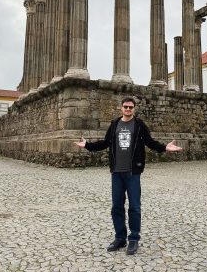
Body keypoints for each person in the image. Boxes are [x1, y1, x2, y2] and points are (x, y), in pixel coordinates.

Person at [75, 96, 182, 255]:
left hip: (133, 172)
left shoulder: (139, 125)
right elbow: (105, 143)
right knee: (116, 206)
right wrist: (88, 145)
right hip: (116, 172)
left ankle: (134, 238)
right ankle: (120, 238)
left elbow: (150, 142)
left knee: (134, 207)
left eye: (131, 107)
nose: (128, 109)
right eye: (125, 107)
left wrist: (165, 147)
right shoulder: (114, 124)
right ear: (121, 108)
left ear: (134, 109)